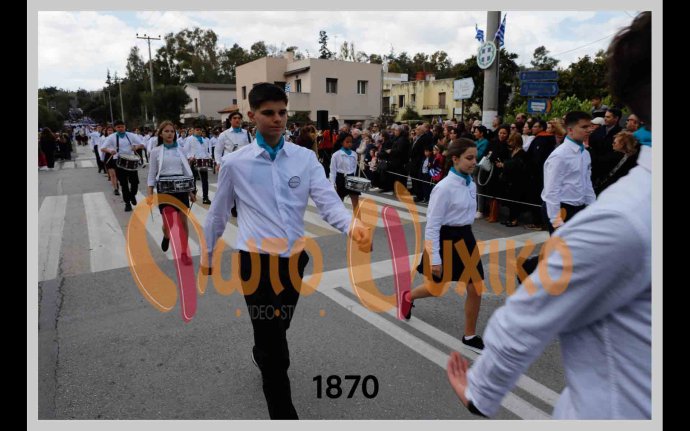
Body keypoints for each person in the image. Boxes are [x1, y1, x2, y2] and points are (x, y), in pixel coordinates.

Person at [446, 11, 651, 419]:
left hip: (579, 213)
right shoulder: (621, 215)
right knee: (476, 282)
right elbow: (551, 189)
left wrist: (586, 210)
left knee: (493, 282)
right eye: (585, 128)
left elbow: (585, 185)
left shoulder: (601, 182)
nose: (591, 132)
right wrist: (559, 221)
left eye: (593, 128)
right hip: (559, 218)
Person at [203, 83, 371, 419]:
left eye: (282, 112)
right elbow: (218, 213)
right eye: (268, 113)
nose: (277, 119)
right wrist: (207, 255)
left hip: (294, 260)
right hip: (256, 264)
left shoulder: (305, 158)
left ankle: (262, 350)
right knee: (277, 353)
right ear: (251, 116)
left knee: (279, 327)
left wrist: (352, 226)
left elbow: (327, 201)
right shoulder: (235, 163)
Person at [399, 138, 486, 353]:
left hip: (466, 238)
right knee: (435, 289)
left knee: (475, 287)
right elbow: (432, 226)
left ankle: (469, 335)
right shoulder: (443, 188)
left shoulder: (471, 184)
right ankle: (407, 297)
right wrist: (435, 258)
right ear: (455, 159)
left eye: (475, 158)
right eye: (469, 158)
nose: (474, 162)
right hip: (445, 238)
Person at [146, 121, 196, 264]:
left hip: (181, 189)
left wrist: (191, 191)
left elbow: (186, 170)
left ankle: (184, 252)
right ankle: (167, 235)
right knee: (168, 224)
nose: (170, 134)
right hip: (164, 189)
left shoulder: (181, 150)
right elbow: (152, 173)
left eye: (172, 131)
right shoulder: (155, 151)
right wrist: (150, 192)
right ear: (161, 134)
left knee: (183, 222)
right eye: (166, 131)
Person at [541, 111, 596, 234]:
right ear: (570, 130)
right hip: (561, 209)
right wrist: (556, 221)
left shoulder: (585, 154)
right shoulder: (559, 155)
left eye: (590, 126)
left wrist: (592, 208)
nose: (589, 130)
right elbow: (551, 191)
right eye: (584, 127)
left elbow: (587, 183)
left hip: (579, 208)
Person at [101, 120, 145, 211]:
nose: (120, 128)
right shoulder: (111, 137)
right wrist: (110, 151)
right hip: (119, 162)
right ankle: (127, 203)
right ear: (115, 128)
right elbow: (103, 148)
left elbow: (143, 144)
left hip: (131, 161)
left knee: (135, 182)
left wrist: (136, 147)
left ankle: (132, 195)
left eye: (122, 126)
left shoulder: (131, 135)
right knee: (124, 184)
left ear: (125, 126)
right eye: (118, 127)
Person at [593, 130, 640, 195]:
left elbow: (597, 167)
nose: (612, 144)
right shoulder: (634, 159)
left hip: (605, 190)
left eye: (614, 143)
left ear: (622, 144)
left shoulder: (614, 157)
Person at [329, 132, 360, 215]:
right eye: (347, 142)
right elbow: (332, 171)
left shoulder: (354, 154)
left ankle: (358, 220)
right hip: (341, 178)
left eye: (351, 142)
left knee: (356, 202)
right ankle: (338, 218)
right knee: (339, 202)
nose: (350, 144)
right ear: (341, 142)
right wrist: (332, 184)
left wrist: (356, 179)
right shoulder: (336, 155)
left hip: (352, 179)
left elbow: (354, 168)